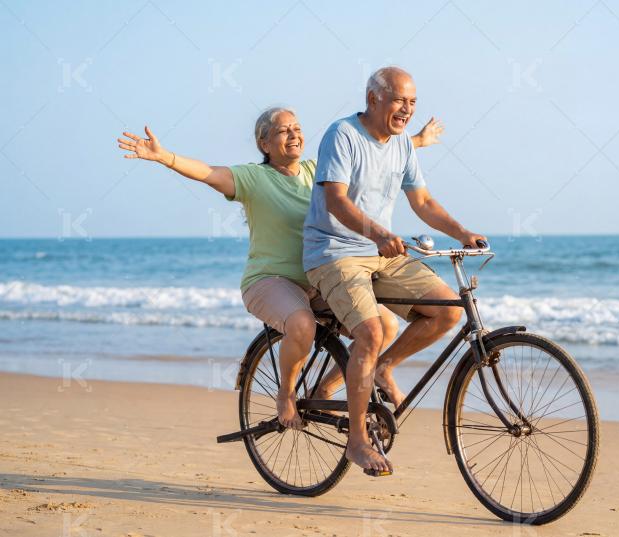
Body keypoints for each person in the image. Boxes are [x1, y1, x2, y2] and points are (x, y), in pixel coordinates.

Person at [115, 107, 444, 430]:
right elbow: (207, 172)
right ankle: (285, 394)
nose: (295, 134)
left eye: (298, 128)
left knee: (385, 325)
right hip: (270, 281)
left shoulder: (318, 172)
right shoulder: (253, 178)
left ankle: (325, 389)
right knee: (302, 325)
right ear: (264, 143)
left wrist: (416, 140)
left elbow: (369, 157)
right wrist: (163, 156)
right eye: (284, 130)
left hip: (321, 278)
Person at [304, 67, 486, 475]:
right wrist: (380, 231)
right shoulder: (343, 135)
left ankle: (384, 367)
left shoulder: (402, 143)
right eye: (400, 100)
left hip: (381, 252)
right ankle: (356, 441)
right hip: (335, 252)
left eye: (413, 102)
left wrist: (462, 232)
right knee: (369, 331)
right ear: (373, 99)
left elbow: (422, 201)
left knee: (448, 310)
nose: (407, 109)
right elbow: (335, 200)